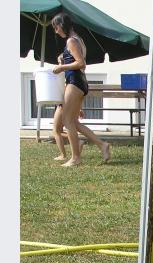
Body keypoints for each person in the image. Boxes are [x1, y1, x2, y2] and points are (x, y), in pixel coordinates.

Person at [51, 12, 111, 167]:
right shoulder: (78, 40)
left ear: (61, 25)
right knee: (74, 122)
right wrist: (63, 58)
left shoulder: (71, 40)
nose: (56, 31)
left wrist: (61, 67)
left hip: (75, 81)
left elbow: (81, 63)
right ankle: (102, 145)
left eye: (56, 27)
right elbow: (75, 58)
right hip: (79, 82)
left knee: (67, 120)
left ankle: (76, 157)